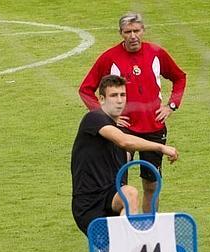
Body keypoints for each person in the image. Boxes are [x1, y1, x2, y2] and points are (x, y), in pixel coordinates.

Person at [79, 12, 186, 213]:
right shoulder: (109, 58)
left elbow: (179, 77)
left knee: (152, 184)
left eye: (136, 30)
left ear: (143, 31)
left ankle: (149, 228)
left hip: (154, 127)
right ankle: (120, 229)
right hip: (123, 131)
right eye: (128, 32)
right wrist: (106, 117)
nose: (133, 36)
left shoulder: (156, 53)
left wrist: (171, 105)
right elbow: (85, 89)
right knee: (119, 185)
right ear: (121, 33)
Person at [71, 75, 178, 236]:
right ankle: (127, 245)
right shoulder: (94, 119)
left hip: (111, 199)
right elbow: (124, 141)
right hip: (89, 204)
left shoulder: (118, 130)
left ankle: (128, 245)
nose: (119, 100)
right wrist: (160, 147)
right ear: (101, 99)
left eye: (123, 95)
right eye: (113, 96)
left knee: (129, 193)